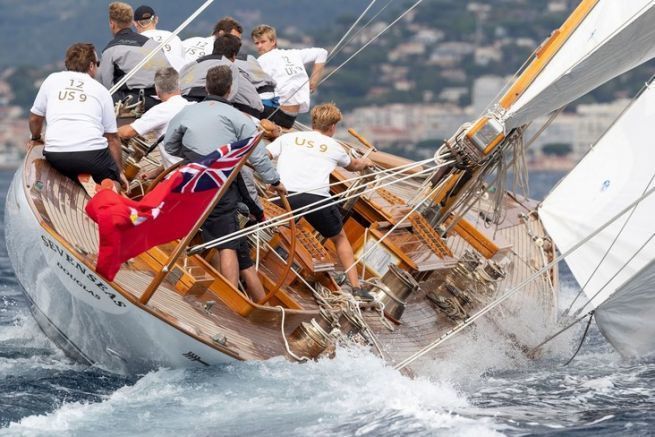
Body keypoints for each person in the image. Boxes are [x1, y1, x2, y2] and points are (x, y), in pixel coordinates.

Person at [164, 65, 286, 302]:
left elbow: (170, 146)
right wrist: (275, 181)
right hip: (220, 185)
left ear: (207, 87)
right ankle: (230, 301)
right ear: (230, 91)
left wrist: (195, 158)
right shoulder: (239, 118)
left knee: (189, 226)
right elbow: (258, 156)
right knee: (227, 241)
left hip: (189, 182)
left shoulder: (186, 113)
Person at [266, 103, 374, 300]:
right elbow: (353, 166)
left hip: (284, 195)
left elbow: (265, 155)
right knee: (340, 238)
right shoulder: (335, 147)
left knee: (262, 224)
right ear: (332, 127)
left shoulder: (288, 138)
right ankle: (356, 288)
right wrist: (366, 162)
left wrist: (271, 181)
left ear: (313, 121)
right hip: (316, 200)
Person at [28, 43, 127, 190]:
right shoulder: (101, 90)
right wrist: (119, 172)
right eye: (98, 64)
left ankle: (75, 178)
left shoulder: (52, 80)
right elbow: (112, 138)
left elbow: (35, 118)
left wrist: (35, 138)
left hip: (56, 154)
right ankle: (109, 189)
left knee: (70, 165)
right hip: (93, 157)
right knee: (114, 181)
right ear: (92, 66)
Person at [98, 2, 172, 110]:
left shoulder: (109, 50)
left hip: (134, 101)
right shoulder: (152, 44)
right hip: (162, 99)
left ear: (112, 23)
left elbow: (108, 87)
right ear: (131, 22)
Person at [251, 24, 327, 128]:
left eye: (263, 42)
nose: (259, 46)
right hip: (290, 118)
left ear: (273, 42)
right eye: (257, 43)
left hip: (278, 115)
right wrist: (314, 80)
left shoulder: (262, 60)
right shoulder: (293, 54)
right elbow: (322, 53)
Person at [118, 67, 193, 169]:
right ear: (179, 87)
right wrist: (157, 172)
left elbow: (127, 133)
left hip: (178, 176)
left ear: (157, 91)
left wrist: (105, 131)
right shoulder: (193, 106)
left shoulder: (161, 110)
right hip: (196, 170)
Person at [179, 36, 262, 118]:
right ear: (234, 56)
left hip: (184, 102)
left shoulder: (191, 64)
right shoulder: (229, 65)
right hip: (212, 102)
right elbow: (230, 95)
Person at [133, 5, 187, 71]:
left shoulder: (134, 42)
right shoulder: (173, 36)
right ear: (156, 19)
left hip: (153, 79)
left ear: (135, 24)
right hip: (177, 78)